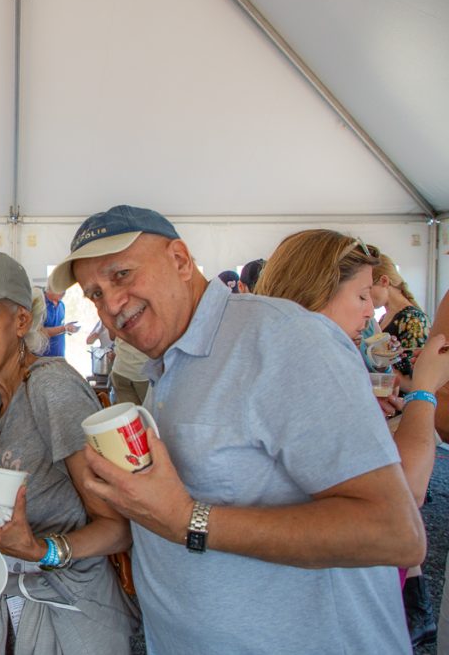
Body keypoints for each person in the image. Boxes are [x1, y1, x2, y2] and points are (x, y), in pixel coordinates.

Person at [48, 205, 428, 654]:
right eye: (94, 293)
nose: (109, 305)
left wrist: (188, 520)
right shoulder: (170, 360)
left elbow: (395, 532)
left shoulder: (282, 338)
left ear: (181, 260)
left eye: (122, 275)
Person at [0, 251, 136, 653]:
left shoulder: (51, 388)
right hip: (20, 605)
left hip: (73, 616)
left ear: (20, 322)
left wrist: (42, 549)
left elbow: (120, 527)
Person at [256, 230, 449, 648]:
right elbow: (409, 490)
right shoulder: (322, 357)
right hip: (333, 587)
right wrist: (424, 391)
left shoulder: (269, 347)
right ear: (321, 289)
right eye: (362, 296)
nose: (369, 312)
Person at [371, 252, 431, 385]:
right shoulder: (383, 318)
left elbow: (417, 380)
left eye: (368, 288)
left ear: (384, 281)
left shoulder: (413, 319)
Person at [109, 337, 149, 405]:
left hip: (121, 368)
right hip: (143, 371)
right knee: (150, 412)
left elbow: (112, 336)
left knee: (129, 412)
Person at [40, 288, 78, 357]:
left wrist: (68, 329)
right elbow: (40, 332)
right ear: (51, 287)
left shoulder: (62, 305)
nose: (64, 292)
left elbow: (61, 327)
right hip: (44, 358)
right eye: (62, 288)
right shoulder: (40, 305)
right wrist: (64, 328)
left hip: (60, 356)